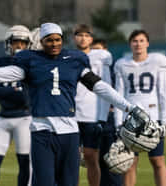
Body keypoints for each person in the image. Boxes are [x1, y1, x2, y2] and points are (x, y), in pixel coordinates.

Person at [0, 23, 146, 186]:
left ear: (62, 40)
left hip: (69, 132)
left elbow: (100, 87)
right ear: (41, 42)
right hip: (41, 131)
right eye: (49, 40)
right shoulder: (30, 61)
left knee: (69, 183)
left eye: (57, 39)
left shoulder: (74, 61)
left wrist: (129, 107)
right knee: (43, 182)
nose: (54, 43)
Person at [114, 29, 166, 186]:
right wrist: (117, 123)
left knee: (157, 160)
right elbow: (118, 97)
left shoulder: (158, 61)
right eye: (134, 41)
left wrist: (165, 121)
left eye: (141, 40)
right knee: (130, 162)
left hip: (153, 117)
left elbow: (165, 93)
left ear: (147, 43)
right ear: (130, 44)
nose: (138, 44)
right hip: (130, 120)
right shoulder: (122, 64)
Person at [0, 25, 32, 186]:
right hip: (3, 118)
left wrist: (5, 91)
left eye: (23, 43)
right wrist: (15, 93)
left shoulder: (32, 64)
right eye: (15, 42)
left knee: (24, 162)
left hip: (24, 119)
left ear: (29, 45)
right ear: (8, 44)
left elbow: (26, 98)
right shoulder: (0, 63)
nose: (19, 46)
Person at [73, 24, 114, 186]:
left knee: (91, 156)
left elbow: (106, 87)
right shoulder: (66, 56)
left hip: (92, 114)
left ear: (91, 38)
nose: (83, 38)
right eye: (79, 35)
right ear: (74, 37)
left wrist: (103, 115)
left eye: (86, 35)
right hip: (70, 114)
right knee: (71, 159)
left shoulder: (101, 57)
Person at [90, 37, 124, 186]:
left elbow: (120, 92)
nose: (97, 54)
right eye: (94, 50)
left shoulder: (113, 70)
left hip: (110, 120)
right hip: (91, 119)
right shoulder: (87, 71)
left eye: (100, 50)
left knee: (112, 163)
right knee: (95, 162)